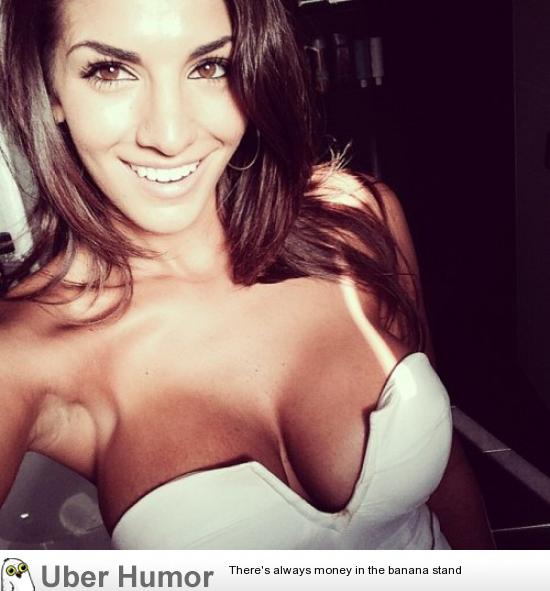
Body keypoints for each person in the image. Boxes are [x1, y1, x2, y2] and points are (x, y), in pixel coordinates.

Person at [0, 0, 494, 549]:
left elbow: (447, 473)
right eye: (111, 70)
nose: (170, 135)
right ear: (51, 91)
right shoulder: (22, 356)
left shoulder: (356, 221)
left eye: (210, 67)